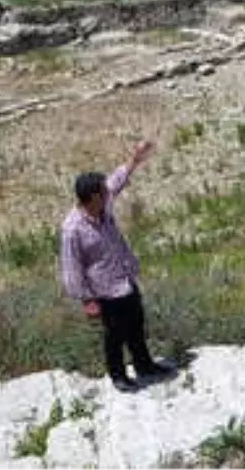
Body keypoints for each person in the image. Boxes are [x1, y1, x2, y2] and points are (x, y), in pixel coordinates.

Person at [59, 140, 175, 392]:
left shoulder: (103, 205)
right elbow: (72, 269)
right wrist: (86, 300)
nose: (108, 194)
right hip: (104, 291)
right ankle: (118, 375)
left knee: (136, 325)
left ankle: (144, 365)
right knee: (115, 335)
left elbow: (115, 181)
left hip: (125, 279)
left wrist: (135, 160)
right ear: (92, 198)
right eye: (103, 192)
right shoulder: (72, 229)